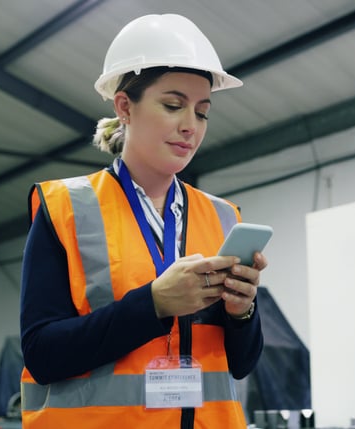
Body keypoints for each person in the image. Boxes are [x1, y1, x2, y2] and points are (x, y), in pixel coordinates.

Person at [19, 13, 266, 429]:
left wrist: (243, 313)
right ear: (124, 107)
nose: (190, 126)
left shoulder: (223, 217)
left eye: (202, 112)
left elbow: (240, 365)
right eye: (173, 105)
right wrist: (153, 304)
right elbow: (43, 354)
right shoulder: (64, 207)